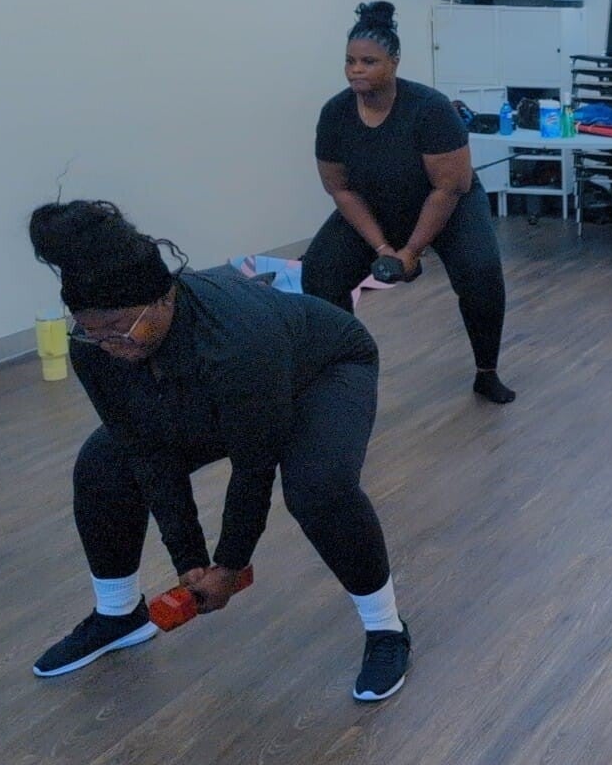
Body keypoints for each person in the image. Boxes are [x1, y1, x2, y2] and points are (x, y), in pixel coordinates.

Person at [27, 200, 412, 702]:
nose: (110, 344)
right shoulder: (95, 347)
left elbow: (255, 465)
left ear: (163, 297)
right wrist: (189, 560)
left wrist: (229, 565)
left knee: (318, 487)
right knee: (104, 463)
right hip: (218, 387)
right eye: (92, 330)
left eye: (120, 326)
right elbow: (146, 452)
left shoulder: (236, 339)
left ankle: (386, 628)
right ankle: (119, 615)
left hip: (324, 368)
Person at [301, 1, 514, 403]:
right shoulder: (335, 114)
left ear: (394, 62)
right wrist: (383, 248)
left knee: (481, 273)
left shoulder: (429, 109)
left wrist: (412, 251)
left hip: (450, 205)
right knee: (319, 272)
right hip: (376, 205)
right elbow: (340, 188)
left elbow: (448, 187)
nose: (356, 70)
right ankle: (343, 371)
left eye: (368, 61)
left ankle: (487, 372)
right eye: (350, 61)